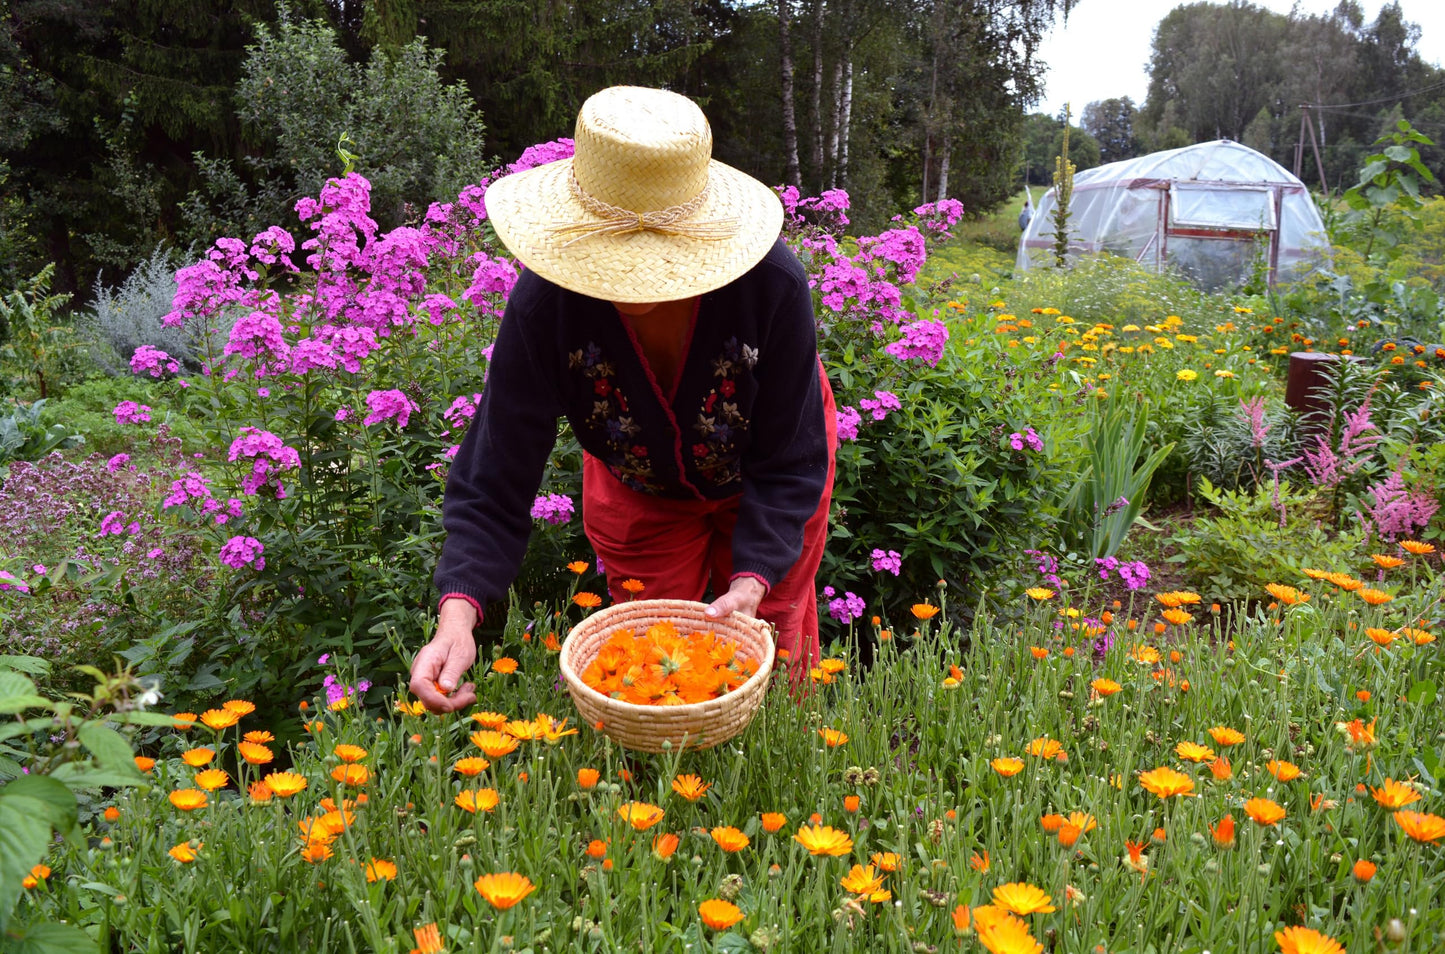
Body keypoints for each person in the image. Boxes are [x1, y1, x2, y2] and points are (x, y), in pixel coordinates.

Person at [409, 86, 837, 713]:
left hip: (771, 480)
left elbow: (790, 460)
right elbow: (494, 472)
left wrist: (752, 581)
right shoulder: (545, 306)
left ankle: (774, 783)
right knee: (648, 665)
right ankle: (655, 799)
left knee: (764, 647)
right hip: (639, 491)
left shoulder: (770, 284)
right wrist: (457, 617)